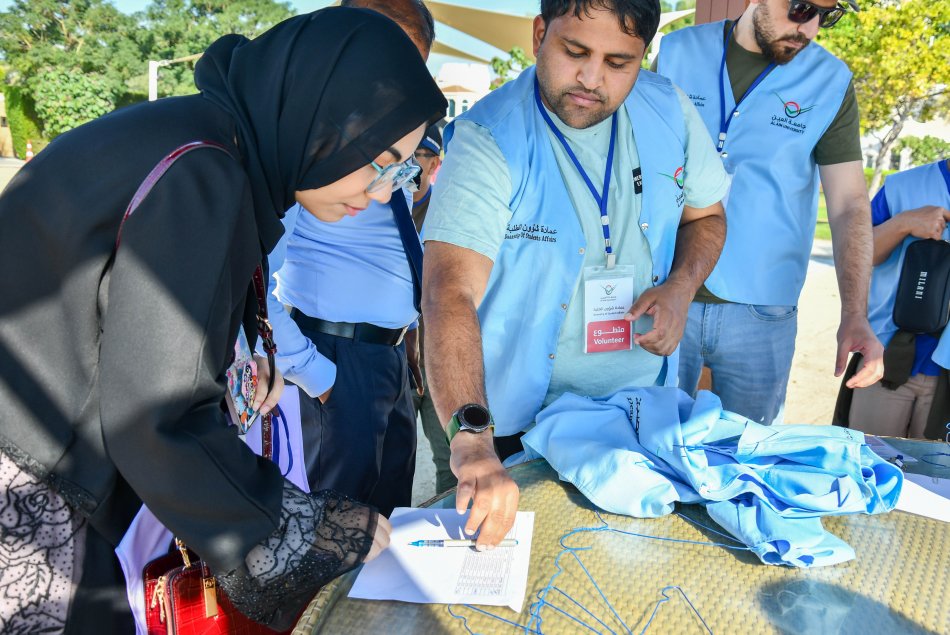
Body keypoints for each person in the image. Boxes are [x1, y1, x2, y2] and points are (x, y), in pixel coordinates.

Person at [0, 8, 445, 633]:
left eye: (402, 171)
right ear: (322, 115)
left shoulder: (207, 142)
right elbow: (157, 419)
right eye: (380, 160)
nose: (381, 192)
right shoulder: (204, 171)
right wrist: (308, 529)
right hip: (32, 478)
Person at [422, 0, 729, 545]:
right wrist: (471, 439)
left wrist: (681, 287)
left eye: (619, 62)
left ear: (644, 57)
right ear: (540, 32)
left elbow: (706, 215)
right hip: (506, 427)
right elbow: (450, 291)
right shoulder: (488, 137)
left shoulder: (670, 110)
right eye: (575, 52)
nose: (591, 79)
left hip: (631, 416)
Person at [656, 0, 884, 424]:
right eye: (800, 8)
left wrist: (855, 313)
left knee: (750, 457)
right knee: (647, 443)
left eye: (826, 14)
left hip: (763, 310)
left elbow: (849, 204)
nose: (810, 26)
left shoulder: (831, 81)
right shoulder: (675, 51)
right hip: (666, 289)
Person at [266, 0, 435, 516]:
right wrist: (316, 375)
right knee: (335, 534)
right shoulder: (308, 146)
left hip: (386, 361)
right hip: (334, 358)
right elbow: (253, 286)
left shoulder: (386, 144)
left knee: (388, 521)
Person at [845, 159, 950, 438]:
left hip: (945, 372)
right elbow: (858, 253)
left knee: (935, 480)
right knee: (866, 468)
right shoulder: (903, 186)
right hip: (885, 359)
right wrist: (903, 224)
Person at [409, 122, 457, 494]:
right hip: (391, 356)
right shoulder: (373, 208)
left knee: (449, 460)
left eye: (419, 155)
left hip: (437, 354)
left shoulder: (450, 212)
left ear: (435, 163)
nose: (410, 164)